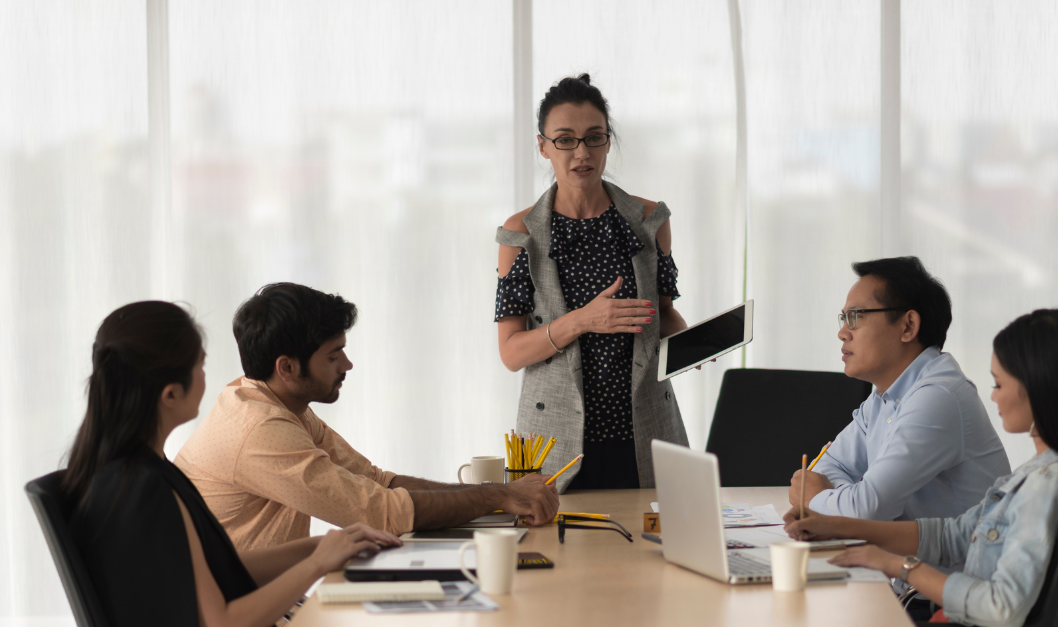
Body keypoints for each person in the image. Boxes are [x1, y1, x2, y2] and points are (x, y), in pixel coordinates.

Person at [65, 301, 400, 627]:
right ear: (170, 395)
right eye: (201, 366)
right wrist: (317, 564)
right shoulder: (148, 490)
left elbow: (213, 570)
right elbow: (223, 622)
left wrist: (319, 547)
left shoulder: (138, 471)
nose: (207, 379)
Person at [785, 309, 1058, 627]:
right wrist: (838, 527)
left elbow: (1001, 608)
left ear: (1039, 388)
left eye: (999, 385)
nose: (993, 398)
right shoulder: (1043, 470)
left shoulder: (1046, 485)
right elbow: (952, 536)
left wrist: (896, 565)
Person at [176, 283, 558, 551]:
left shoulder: (277, 406)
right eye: (333, 355)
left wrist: (502, 498)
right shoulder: (259, 429)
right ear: (287, 367)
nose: (348, 364)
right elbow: (381, 513)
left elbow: (379, 483)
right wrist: (501, 495)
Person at [494, 74, 689, 491]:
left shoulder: (650, 220)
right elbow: (511, 353)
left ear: (607, 141)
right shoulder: (520, 233)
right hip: (554, 439)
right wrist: (582, 320)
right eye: (565, 139)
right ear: (543, 145)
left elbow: (664, 317)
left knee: (656, 552)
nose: (581, 152)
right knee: (555, 553)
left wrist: (696, 344)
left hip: (647, 431)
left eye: (594, 137)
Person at [790, 256, 1010, 521]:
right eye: (843, 318)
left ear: (908, 326)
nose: (843, 332)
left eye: (855, 317)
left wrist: (816, 498)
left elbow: (868, 510)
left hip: (953, 563)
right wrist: (848, 499)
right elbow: (830, 468)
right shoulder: (882, 397)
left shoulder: (939, 397)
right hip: (900, 558)